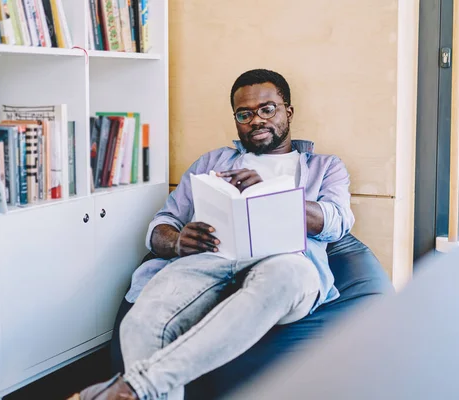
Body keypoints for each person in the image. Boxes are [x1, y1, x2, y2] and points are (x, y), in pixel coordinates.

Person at [70, 69, 355, 400]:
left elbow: (337, 221)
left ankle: (136, 387)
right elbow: (160, 224)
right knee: (141, 324)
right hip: (209, 260)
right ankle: (135, 389)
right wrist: (176, 241)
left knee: (288, 278)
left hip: (284, 261)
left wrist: (271, 195)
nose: (256, 120)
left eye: (267, 109)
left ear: (287, 112)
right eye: (244, 114)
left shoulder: (325, 166)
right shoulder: (212, 161)